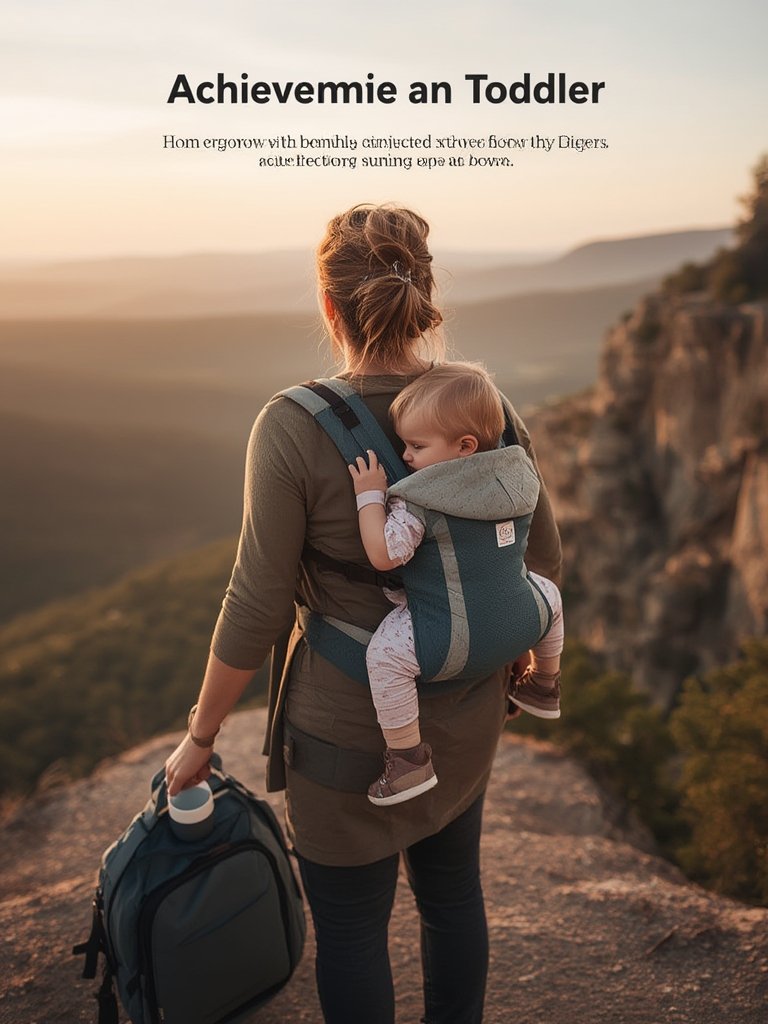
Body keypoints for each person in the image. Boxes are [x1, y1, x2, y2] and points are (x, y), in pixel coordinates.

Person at [164, 203, 562, 1024]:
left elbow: (257, 603)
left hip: (347, 730)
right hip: (467, 706)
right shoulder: (483, 413)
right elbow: (540, 552)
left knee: (351, 933)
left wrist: (200, 739)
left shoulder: (291, 425)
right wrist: (505, 646)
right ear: (426, 300)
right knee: (455, 899)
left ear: (330, 307)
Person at [347, 361, 564, 807]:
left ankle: (407, 760)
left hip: (449, 635)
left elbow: (385, 554)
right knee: (551, 595)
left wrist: (370, 496)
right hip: (522, 618)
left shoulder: (420, 500)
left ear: (464, 446)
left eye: (417, 445)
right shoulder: (520, 479)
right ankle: (545, 683)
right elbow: (546, 552)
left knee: (385, 656)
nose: (405, 456)